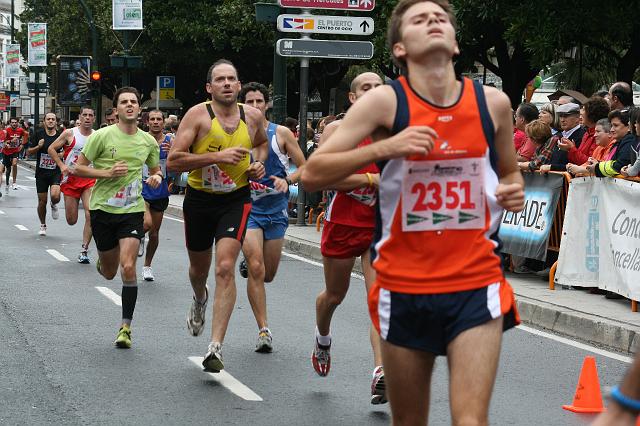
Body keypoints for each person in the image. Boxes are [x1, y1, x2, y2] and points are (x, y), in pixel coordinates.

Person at [301, 1, 525, 423]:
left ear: (456, 43)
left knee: (471, 420)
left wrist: (512, 190)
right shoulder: (384, 104)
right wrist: (387, 147)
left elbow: (511, 173)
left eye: (441, 18)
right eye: (420, 20)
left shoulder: (493, 103)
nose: (434, 22)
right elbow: (311, 174)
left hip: (476, 280)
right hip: (404, 284)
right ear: (401, 48)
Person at [166, 59, 267, 373]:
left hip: (235, 200)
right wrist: (216, 156)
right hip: (199, 200)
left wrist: (257, 164)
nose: (227, 83)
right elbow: (173, 161)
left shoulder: (252, 117)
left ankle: (215, 347)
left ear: (239, 86)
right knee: (199, 269)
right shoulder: (198, 116)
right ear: (210, 88)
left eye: (232, 79)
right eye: (220, 79)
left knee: (225, 267)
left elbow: (262, 146)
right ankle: (199, 297)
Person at [309, 72, 389, 405]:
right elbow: (323, 176)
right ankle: (322, 338)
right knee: (334, 295)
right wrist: (372, 178)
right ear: (353, 99)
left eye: (378, 89)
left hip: (380, 227)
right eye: (365, 89)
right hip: (343, 223)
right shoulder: (337, 131)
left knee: (380, 302)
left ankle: (380, 373)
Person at [72, 87, 161, 348]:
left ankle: (125, 328)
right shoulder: (101, 136)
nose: (130, 105)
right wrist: (107, 174)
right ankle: (103, 261)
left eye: (134, 101)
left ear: (139, 109)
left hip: (132, 211)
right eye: (124, 102)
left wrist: (155, 177)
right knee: (110, 272)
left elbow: (156, 171)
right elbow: (78, 167)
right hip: (102, 210)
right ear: (117, 110)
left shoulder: (148, 141)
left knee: (129, 266)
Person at [236, 82, 306, 353]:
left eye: (258, 102)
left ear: (267, 104)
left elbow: (304, 166)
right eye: (249, 102)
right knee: (256, 267)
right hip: (246, 210)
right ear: (242, 105)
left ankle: (253, 265)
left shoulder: (282, 134)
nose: (254, 107)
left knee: (268, 274)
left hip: (275, 211)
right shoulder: (236, 134)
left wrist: (286, 180)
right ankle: (263, 329)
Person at [48, 106, 96, 264]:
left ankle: (84, 249)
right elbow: (51, 149)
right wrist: (62, 166)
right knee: (71, 220)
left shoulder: (97, 136)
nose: (87, 118)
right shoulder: (70, 133)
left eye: (90, 115)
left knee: (90, 213)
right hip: (70, 180)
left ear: (94, 118)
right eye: (85, 115)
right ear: (80, 118)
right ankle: (54, 204)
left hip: (89, 179)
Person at [139, 110, 172, 281]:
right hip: (141, 189)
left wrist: (172, 152)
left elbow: (179, 164)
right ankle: (138, 237)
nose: (156, 122)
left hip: (160, 190)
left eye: (159, 119)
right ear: (147, 122)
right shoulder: (140, 139)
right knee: (146, 224)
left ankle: (147, 266)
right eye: (152, 119)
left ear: (164, 122)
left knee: (154, 232)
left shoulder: (170, 141)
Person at [26, 113, 63, 236]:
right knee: (42, 201)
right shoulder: (38, 134)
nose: (51, 121)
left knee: (55, 196)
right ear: (44, 121)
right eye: (48, 119)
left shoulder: (60, 136)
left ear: (56, 122)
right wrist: (38, 146)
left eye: (53, 119)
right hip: (41, 173)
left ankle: (54, 204)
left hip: (55, 171)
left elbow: (66, 151)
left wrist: (60, 155)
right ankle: (43, 225)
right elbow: (29, 152)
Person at [539, 102, 586, 174]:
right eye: (561, 116)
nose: (562, 120)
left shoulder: (582, 135)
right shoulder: (558, 135)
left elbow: (579, 164)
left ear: (577, 118)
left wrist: (551, 167)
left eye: (566, 116)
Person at [588, 108, 637, 177]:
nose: (611, 130)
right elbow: (611, 163)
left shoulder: (629, 141)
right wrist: (597, 164)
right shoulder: (619, 142)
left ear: (629, 126)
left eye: (616, 125)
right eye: (611, 126)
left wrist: (597, 167)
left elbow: (619, 166)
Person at [3, 117, 27, 192]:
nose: (14, 124)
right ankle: (7, 182)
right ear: (10, 123)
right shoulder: (6, 130)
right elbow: (3, 141)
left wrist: (22, 145)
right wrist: (10, 141)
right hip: (6, 151)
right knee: (8, 169)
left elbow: (25, 135)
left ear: (17, 123)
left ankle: (14, 182)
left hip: (15, 151)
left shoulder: (20, 130)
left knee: (14, 164)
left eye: (15, 122)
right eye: (12, 122)